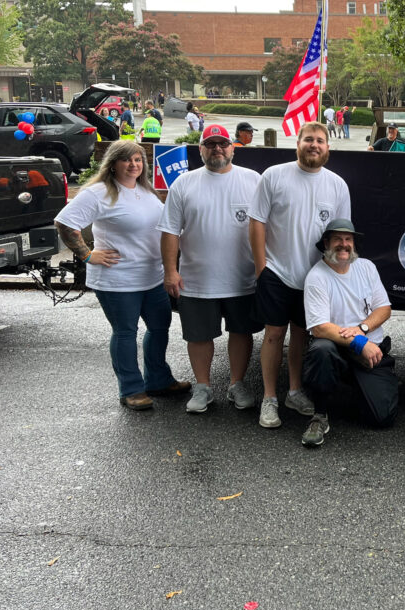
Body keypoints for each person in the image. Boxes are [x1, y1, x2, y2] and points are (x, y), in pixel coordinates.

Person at [54, 140, 184, 410]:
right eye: (126, 160)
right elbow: (65, 223)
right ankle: (131, 389)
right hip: (117, 279)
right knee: (126, 332)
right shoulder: (98, 193)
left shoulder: (145, 191)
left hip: (152, 275)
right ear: (112, 163)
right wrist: (88, 255)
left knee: (159, 328)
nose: (133, 164)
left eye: (138, 159)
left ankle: (158, 379)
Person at [249, 121, 350, 430]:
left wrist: (335, 274)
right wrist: (261, 267)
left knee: (301, 335)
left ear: (327, 148)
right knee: (274, 334)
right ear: (298, 143)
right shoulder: (274, 176)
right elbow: (256, 223)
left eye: (320, 140)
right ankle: (269, 399)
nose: (314, 145)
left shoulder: (337, 185)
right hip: (277, 272)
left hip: (316, 278)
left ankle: (294, 392)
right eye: (309, 139)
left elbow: (341, 234)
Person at [158, 124, 263, 414]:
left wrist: (263, 269)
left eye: (223, 143)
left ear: (232, 147)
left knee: (241, 332)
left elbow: (266, 228)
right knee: (198, 335)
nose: (217, 148)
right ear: (201, 149)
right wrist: (170, 271)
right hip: (196, 279)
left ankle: (237, 384)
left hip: (243, 278)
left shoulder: (253, 180)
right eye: (210, 144)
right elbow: (169, 232)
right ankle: (203, 388)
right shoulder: (183, 183)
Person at [300, 219, 396, 446]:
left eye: (348, 239)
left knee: (382, 418)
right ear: (326, 243)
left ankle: (357, 387)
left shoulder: (367, 267)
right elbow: (320, 327)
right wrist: (358, 342)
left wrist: (362, 329)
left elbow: (384, 309)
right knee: (320, 349)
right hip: (337, 349)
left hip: (371, 348)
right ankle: (320, 416)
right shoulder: (317, 277)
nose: (344, 245)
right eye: (337, 239)